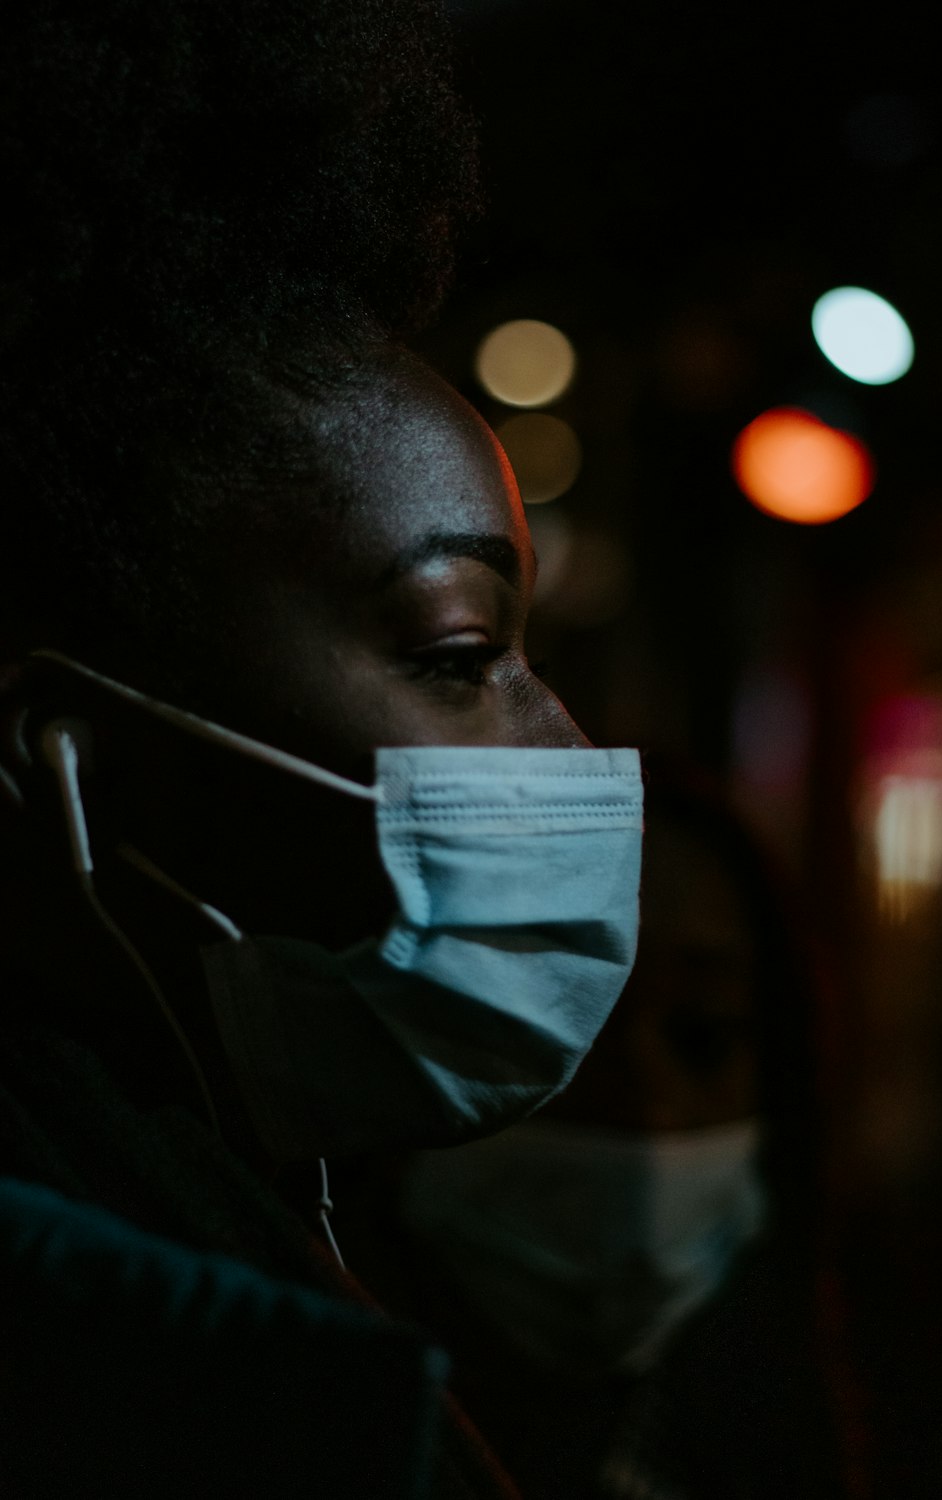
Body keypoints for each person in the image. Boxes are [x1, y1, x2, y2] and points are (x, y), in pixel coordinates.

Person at [0, 4, 643, 1495]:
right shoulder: (119, 1366)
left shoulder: (221, 1204)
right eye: (462, 657)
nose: (567, 747)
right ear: (55, 756)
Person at [345, 757, 861, 1499]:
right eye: (562, 1021)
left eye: (704, 1033)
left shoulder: (785, 1429)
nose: (647, 1102)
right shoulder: (277, 1416)